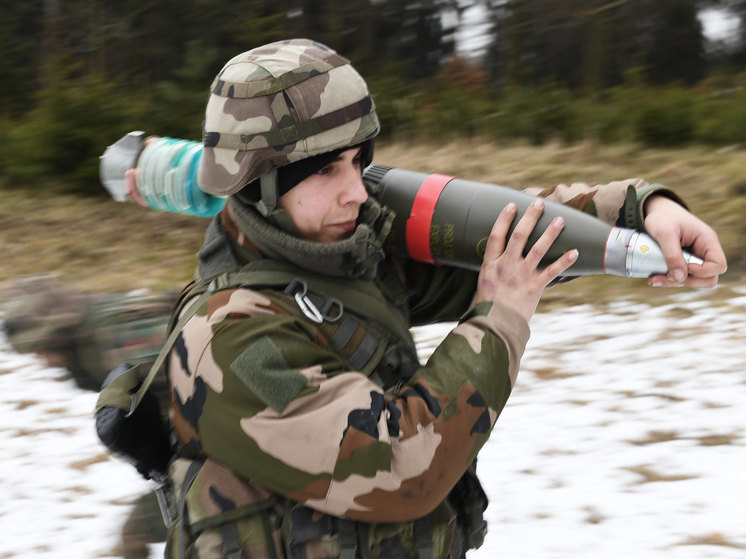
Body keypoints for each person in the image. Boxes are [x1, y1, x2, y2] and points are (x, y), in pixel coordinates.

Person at [120, 39, 726, 558]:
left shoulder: (339, 252)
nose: (357, 191)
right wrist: (499, 319)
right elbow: (397, 466)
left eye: (360, 161)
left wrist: (643, 210)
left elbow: (507, 235)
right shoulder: (231, 343)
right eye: (327, 170)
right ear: (261, 184)